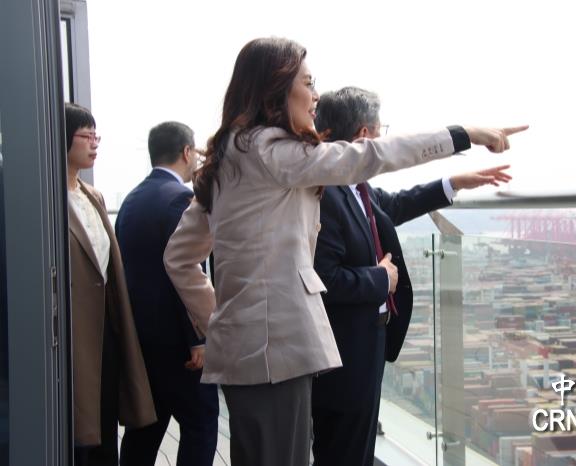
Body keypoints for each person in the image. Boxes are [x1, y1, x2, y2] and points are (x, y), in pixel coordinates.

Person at [163, 37, 527, 466]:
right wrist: (465, 134)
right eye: (308, 82)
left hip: (253, 350)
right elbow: (371, 155)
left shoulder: (229, 157)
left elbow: (179, 257)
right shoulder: (269, 151)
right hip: (273, 354)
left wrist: (220, 322)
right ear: (276, 88)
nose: (315, 95)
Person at [311, 87, 512, 465]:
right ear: (364, 135)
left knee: (356, 448)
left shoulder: (355, 188)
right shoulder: (327, 194)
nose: (383, 137)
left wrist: (454, 183)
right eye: (380, 129)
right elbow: (325, 280)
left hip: (366, 344)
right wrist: (380, 279)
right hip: (345, 353)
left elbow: (394, 206)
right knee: (342, 451)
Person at [115, 121, 219, 466]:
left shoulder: (132, 199)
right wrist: (197, 338)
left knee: (146, 427)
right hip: (179, 342)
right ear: (187, 152)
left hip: (143, 336)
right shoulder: (179, 199)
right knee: (201, 424)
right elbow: (182, 273)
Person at [65, 102, 156, 466]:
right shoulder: (46, 198)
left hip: (106, 326)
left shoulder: (93, 195)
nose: (94, 143)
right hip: (72, 330)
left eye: (95, 136)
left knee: (103, 421)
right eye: (86, 135)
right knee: (79, 430)